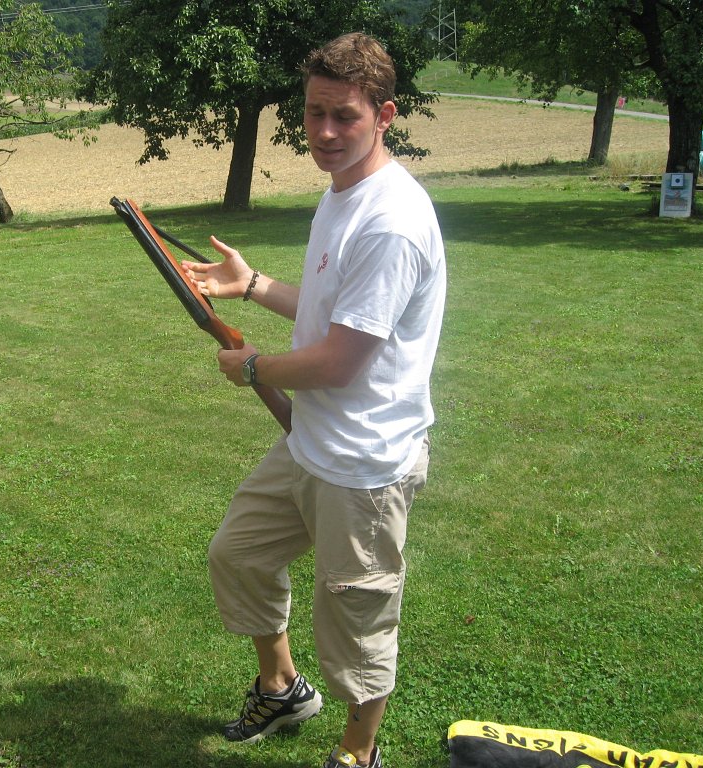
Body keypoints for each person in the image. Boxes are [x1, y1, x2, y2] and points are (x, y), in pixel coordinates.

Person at [182, 32, 446, 768]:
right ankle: (282, 689)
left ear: (384, 115)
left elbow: (339, 361)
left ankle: (358, 752)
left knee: (357, 622)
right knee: (239, 554)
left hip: (364, 466)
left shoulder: (391, 221)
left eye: (344, 116)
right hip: (311, 443)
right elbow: (337, 313)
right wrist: (254, 285)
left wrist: (253, 366)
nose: (325, 132)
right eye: (313, 113)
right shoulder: (344, 193)